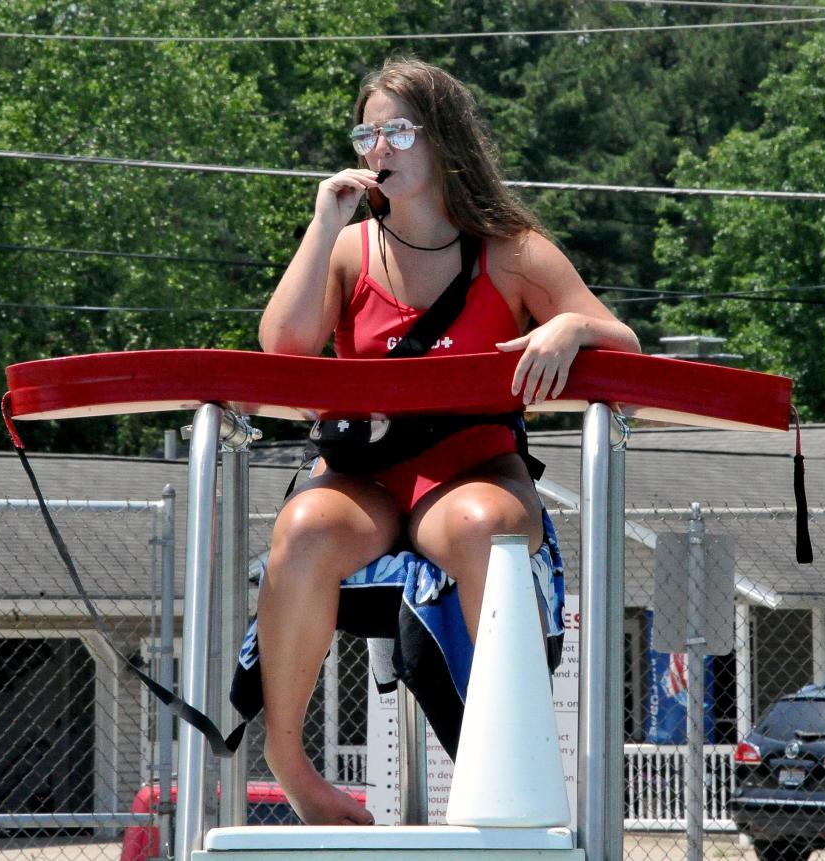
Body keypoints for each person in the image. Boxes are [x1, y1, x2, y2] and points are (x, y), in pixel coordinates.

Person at [255, 57, 640, 826]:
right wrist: (324, 220)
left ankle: (516, 763)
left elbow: (624, 345)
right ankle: (290, 760)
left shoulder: (512, 249)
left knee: (481, 527)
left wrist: (571, 325)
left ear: (443, 140)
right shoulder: (347, 248)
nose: (380, 148)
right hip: (364, 477)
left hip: (471, 469)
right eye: (369, 132)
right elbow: (283, 352)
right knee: (300, 529)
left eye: (399, 129)